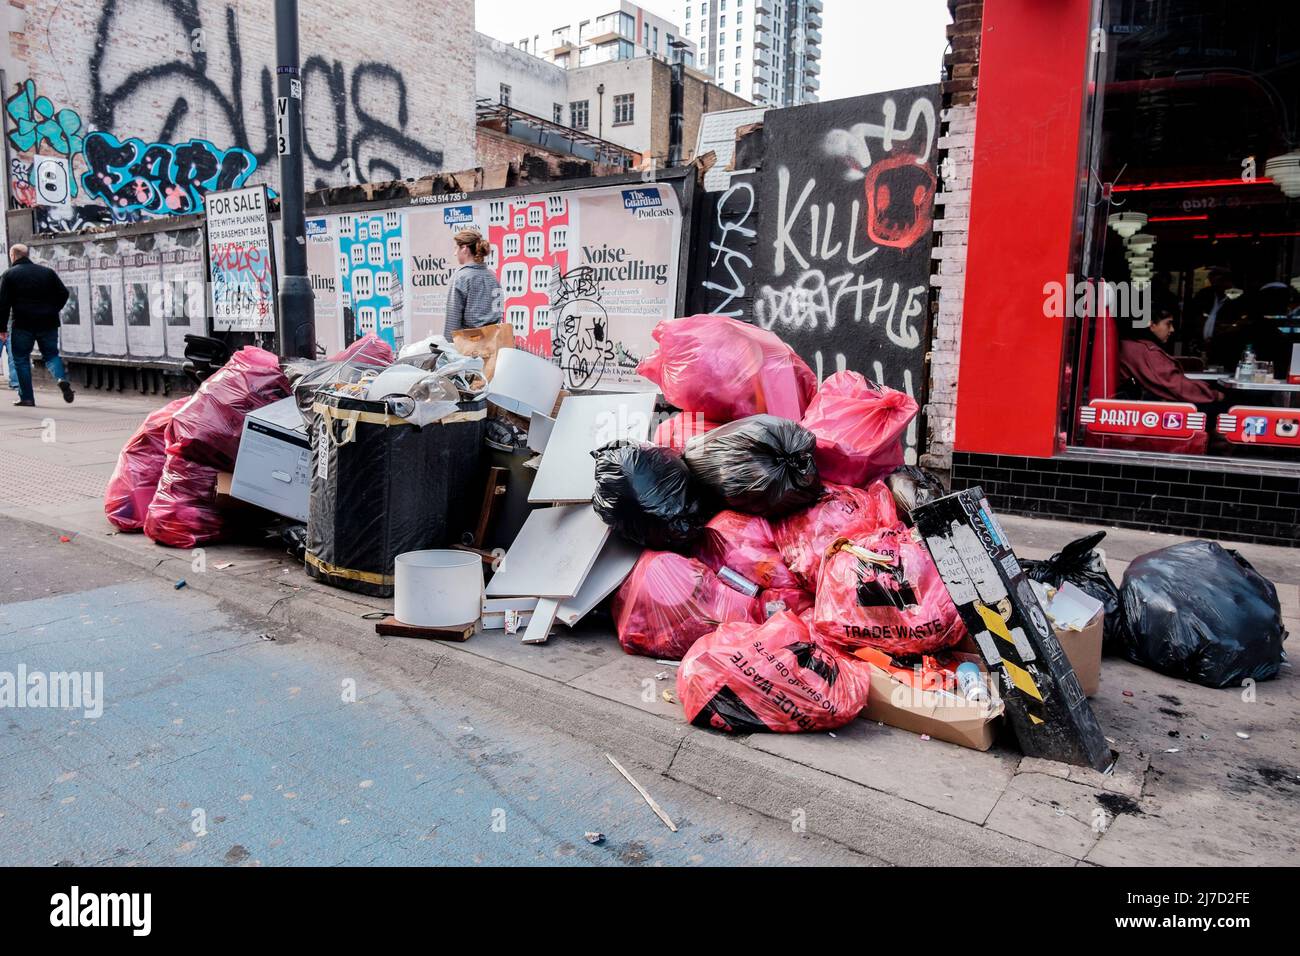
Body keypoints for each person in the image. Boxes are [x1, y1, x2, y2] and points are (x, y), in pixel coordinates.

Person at [0, 243, 74, 406]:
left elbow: (3, 304)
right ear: (27, 255)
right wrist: (53, 309)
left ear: (13, 256)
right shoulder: (47, 273)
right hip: (48, 322)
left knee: (20, 359)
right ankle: (62, 379)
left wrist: (2, 328)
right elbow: (64, 293)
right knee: (51, 355)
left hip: (22, 324)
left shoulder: (9, 275)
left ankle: (26, 397)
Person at [1119, 311, 1221, 405]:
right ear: (1152, 324)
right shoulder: (1145, 351)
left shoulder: (1134, 346)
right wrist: (1214, 394)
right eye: (1168, 323)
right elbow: (1175, 385)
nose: (1172, 329)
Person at [443, 229, 503, 338]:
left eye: (456, 248)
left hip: (469, 347)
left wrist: (448, 348)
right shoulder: (492, 278)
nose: (455, 253)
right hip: (493, 343)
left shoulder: (461, 277)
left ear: (464, 249)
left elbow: (453, 320)